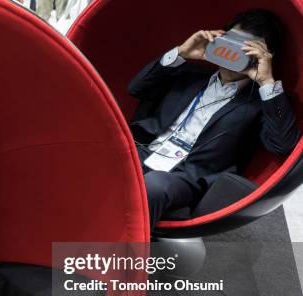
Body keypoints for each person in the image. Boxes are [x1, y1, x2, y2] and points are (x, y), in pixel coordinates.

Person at [128, 9, 300, 228]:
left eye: (245, 47)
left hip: (187, 176)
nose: (234, 52)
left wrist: (266, 81)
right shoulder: (188, 74)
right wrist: (181, 53)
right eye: (231, 41)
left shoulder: (260, 103)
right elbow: (136, 88)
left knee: (153, 186)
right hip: (145, 151)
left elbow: (282, 144)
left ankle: (117, 259)